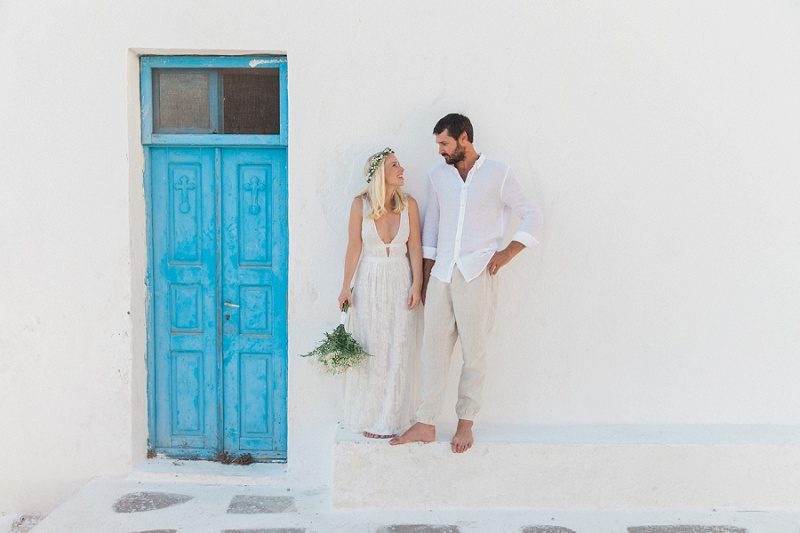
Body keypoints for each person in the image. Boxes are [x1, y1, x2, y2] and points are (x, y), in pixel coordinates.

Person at [391, 114, 538, 452]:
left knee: (474, 353)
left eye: (444, 143)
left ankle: (465, 424)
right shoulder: (437, 175)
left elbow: (532, 213)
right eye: (438, 144)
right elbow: (432, 226)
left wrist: (506, 254)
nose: (440, 150)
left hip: (476, 273)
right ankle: (425, 423)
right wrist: (424, 277)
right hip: (442, 273)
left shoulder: (498, 173)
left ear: (464, 139)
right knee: (432, 352)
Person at [340, 148, 423, 438]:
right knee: (373, 347)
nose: (402, 169)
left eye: (400, 163)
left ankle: (393, 419)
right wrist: (345, 287)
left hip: (400, 279)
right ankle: (372, 416)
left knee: (399, 346)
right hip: (370, 280)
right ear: (379, 174)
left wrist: (417, 284)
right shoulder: (359, 206)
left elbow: (415, 247)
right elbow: (354, 247)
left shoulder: (408, 204)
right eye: (394, 165)